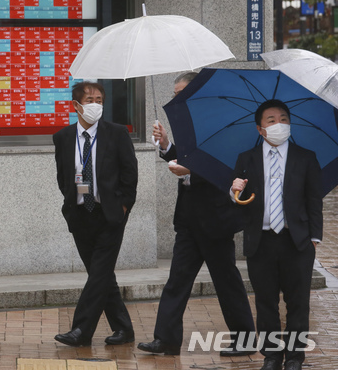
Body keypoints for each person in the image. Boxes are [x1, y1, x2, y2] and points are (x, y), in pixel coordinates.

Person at [138, 72, 255, 356]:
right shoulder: (185, 125)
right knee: (177, 280)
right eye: (175, 93)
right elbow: (182, 159)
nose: (177, 98)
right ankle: (166, 339)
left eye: (182, 93)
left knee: (227, 282)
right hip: (188, 218)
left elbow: (225, 169)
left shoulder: (218, 123)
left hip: (215, 219)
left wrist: (190, 170)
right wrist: (166, 145)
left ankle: (245, 341)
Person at [231, 99, 322, 370]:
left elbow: (313, 201)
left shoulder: (306, 157)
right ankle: (271, 357)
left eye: (283, 119)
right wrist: (234, 189)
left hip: (297, 242)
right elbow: (238, 199)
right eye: (271, 120)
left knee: (298, 303)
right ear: (260, 129)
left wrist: (314, 239)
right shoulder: (246, 159)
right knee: (266, 302)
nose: (279, 124)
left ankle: (295, 358)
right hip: (261, 241)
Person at [52, 81, 137, 347]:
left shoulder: (116, 133)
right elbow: (63, 176)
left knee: (99, 272)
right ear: (76, 106)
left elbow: (130, 173)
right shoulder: (63, 137)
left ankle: (81, 330)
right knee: (101, 274)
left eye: (100, 100)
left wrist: (123, 206)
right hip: (79, 214)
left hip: (110, 214)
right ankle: (124, 329)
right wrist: (70, 204)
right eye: (90, 100)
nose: (96, 105)